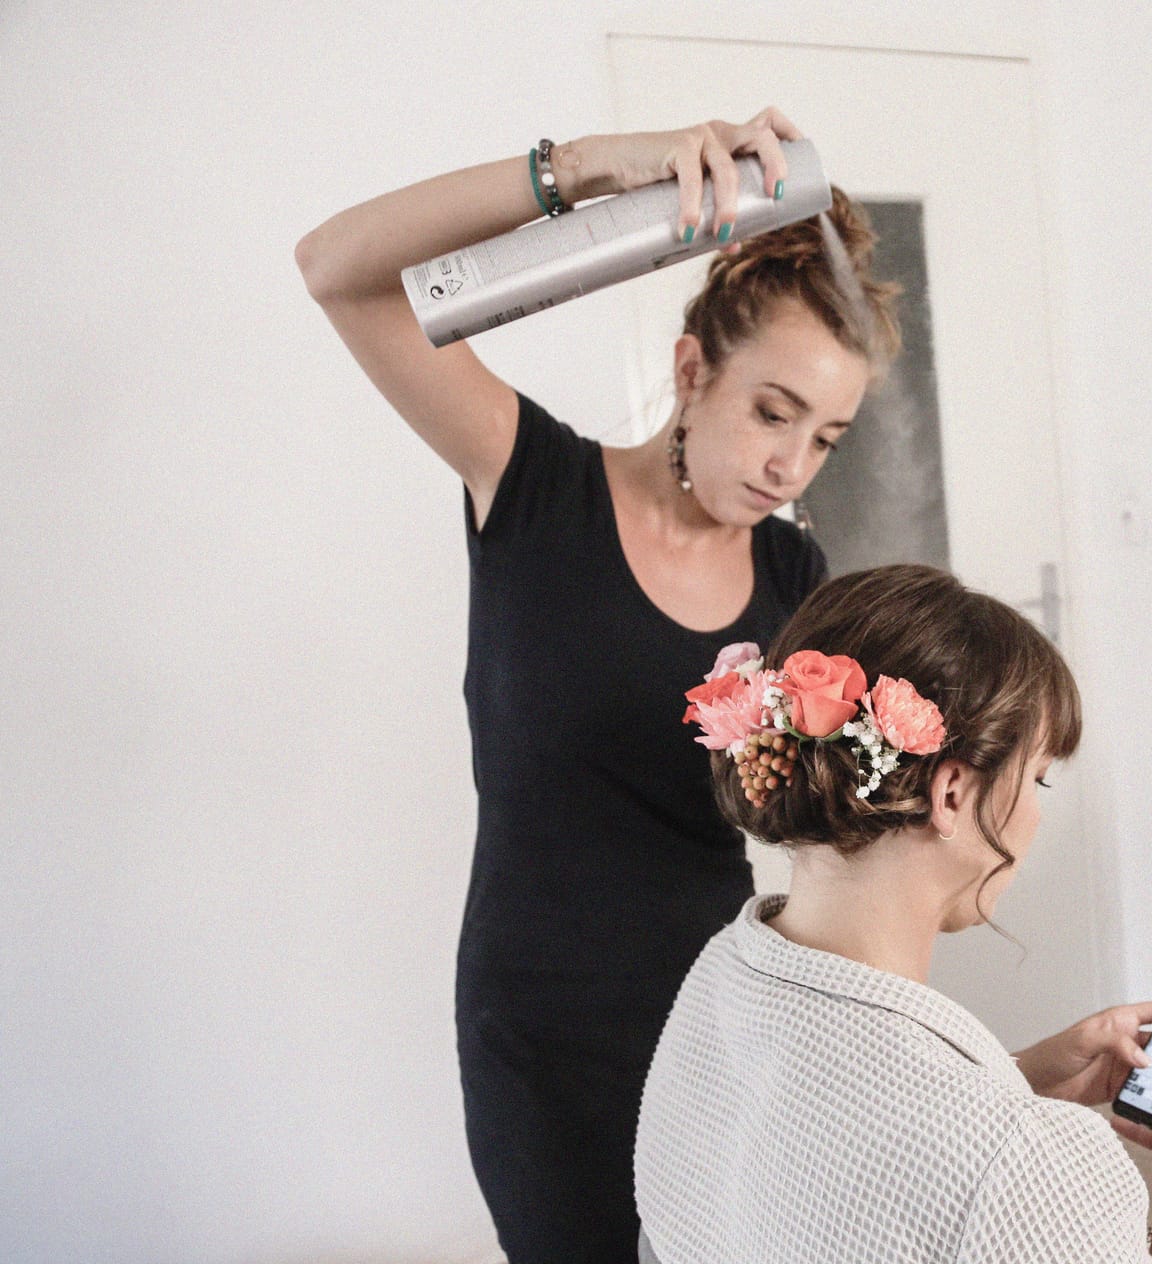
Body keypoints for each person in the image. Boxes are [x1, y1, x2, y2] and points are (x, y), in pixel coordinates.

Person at [294, 109, 902, 1262]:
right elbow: (337, 272)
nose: (789, 463)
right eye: (772, 412)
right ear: (691, 370)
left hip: (723, 1015)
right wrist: (580, 170)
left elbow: (815, 827)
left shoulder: (792, 572)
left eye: (825, 437)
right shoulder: (532, 486)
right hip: (541, 1033)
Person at [637, 564, 1152, 1263]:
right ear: (953, 794)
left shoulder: (721, 972)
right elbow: (959, 1164)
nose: (1034, 814)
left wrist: (1019, 1073)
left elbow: (840, 1149)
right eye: (1037, 779)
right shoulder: (1025, 1161)